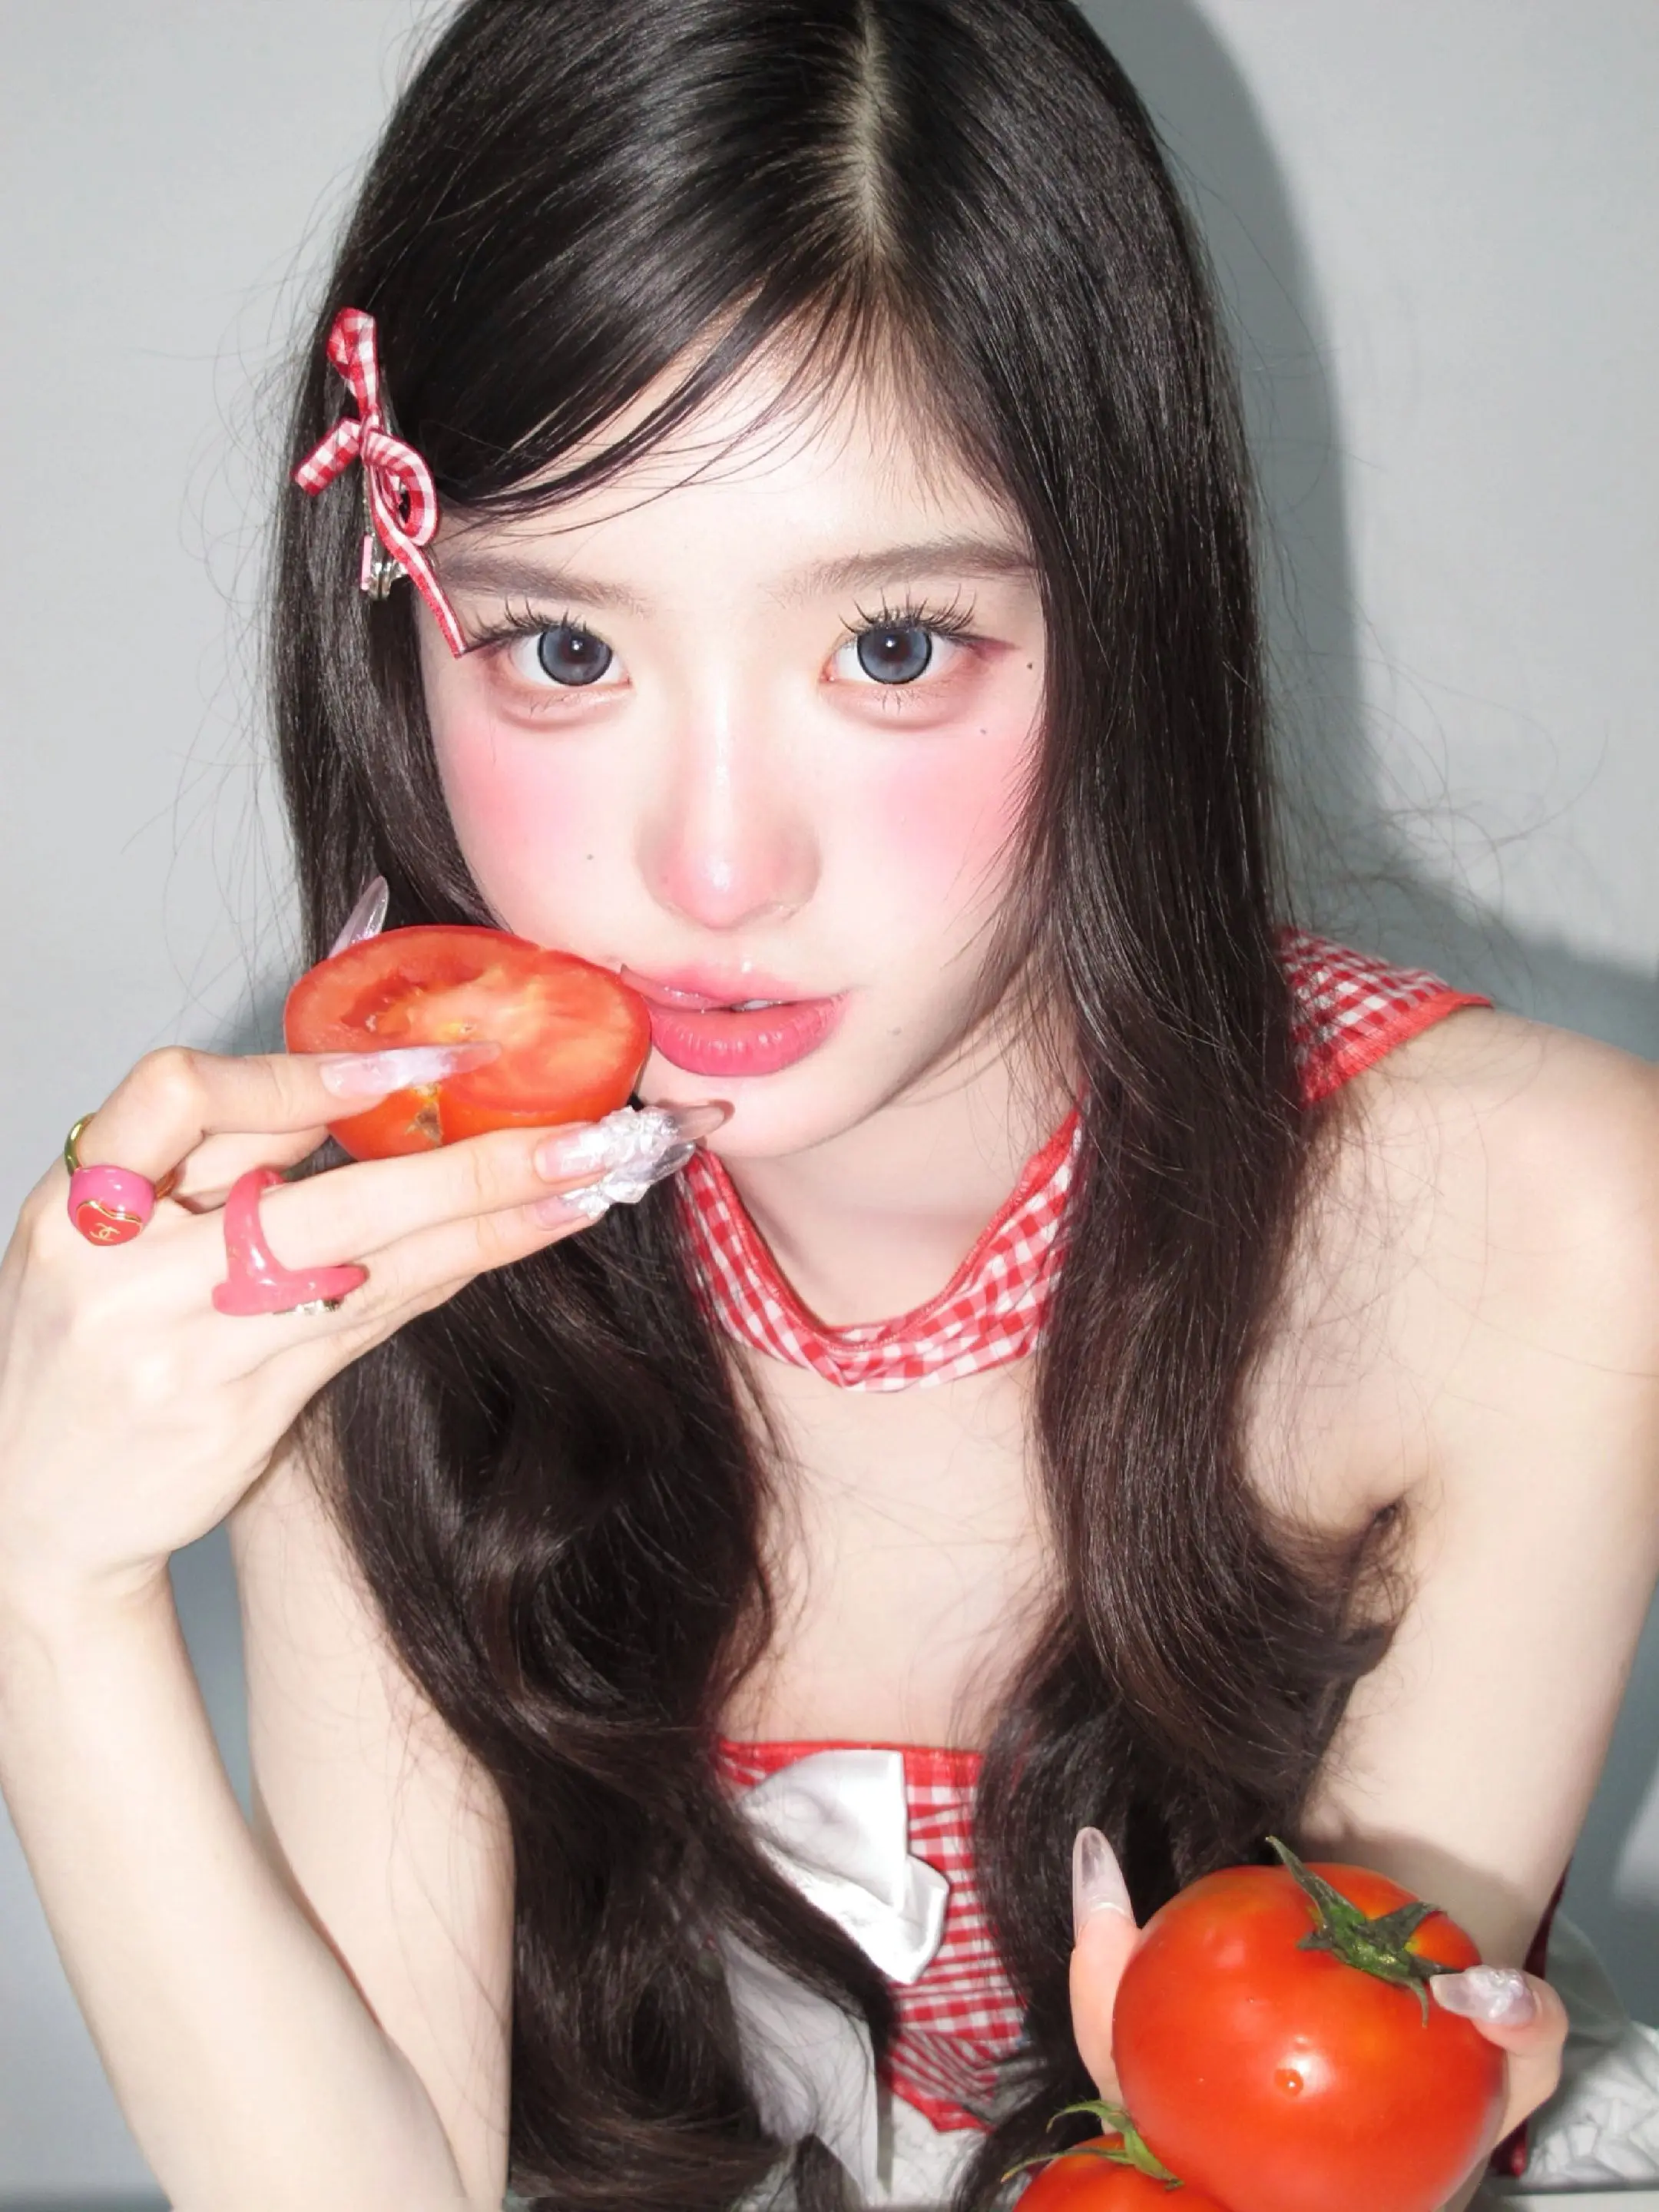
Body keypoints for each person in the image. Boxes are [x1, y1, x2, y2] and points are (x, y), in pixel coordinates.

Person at [1, 2, 1655, 2207]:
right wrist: (50, 1590)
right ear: (399, 633)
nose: (715, 872)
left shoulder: (1536, 1229)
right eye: (564, 651)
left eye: (891, 648)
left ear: (1129, 619)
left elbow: (1317, 2145)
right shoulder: (371, 1256)